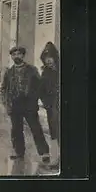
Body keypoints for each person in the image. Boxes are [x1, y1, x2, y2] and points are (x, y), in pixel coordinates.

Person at [0, 46, 50, 164]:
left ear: (23, 55)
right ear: (11, 56)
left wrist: (35, 98)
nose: (16, 56)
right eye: (14, 54)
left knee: (35, 128)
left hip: (29, 104)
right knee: (16, 130)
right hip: (15, 104)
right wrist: (6, 102)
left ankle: (44, 153)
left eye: (19, 54)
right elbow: (3, 88)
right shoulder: (9, 72)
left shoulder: (32, 70)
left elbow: (40, 85)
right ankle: (19, 152)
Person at [39, 41, 60, 169]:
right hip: (52, 108)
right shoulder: (45, 73)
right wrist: (47, 103)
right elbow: (41, 91)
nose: (48, 61)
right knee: (54, 132)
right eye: (46, 59)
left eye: (50, 58)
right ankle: (56, 159)